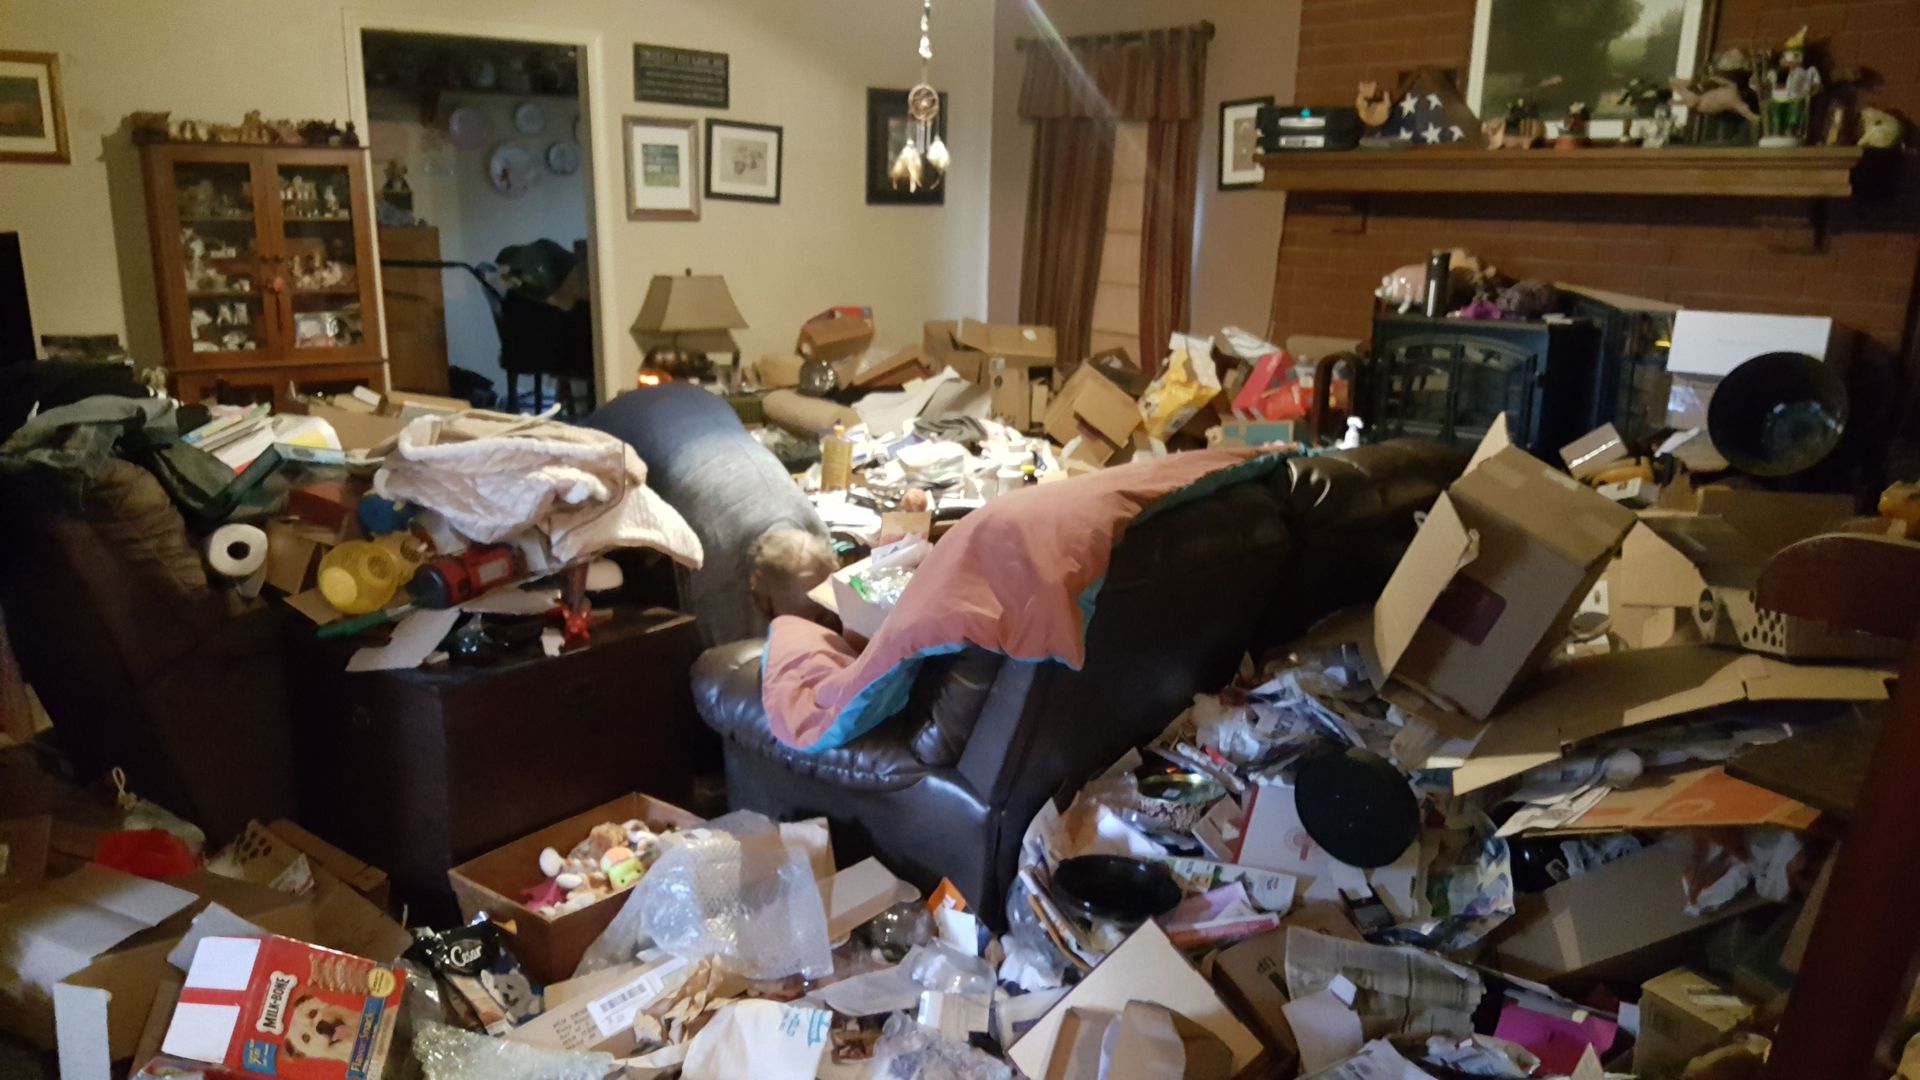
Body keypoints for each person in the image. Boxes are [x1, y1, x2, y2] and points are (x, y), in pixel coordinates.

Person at [584, 383, 837, 646]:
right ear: (756, 585)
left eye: (820, 615)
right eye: (795, 621)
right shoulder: (719, 569)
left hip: (705, 403)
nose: (815, 626)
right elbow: (719, 658)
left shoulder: (818, 536)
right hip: (615, 429)